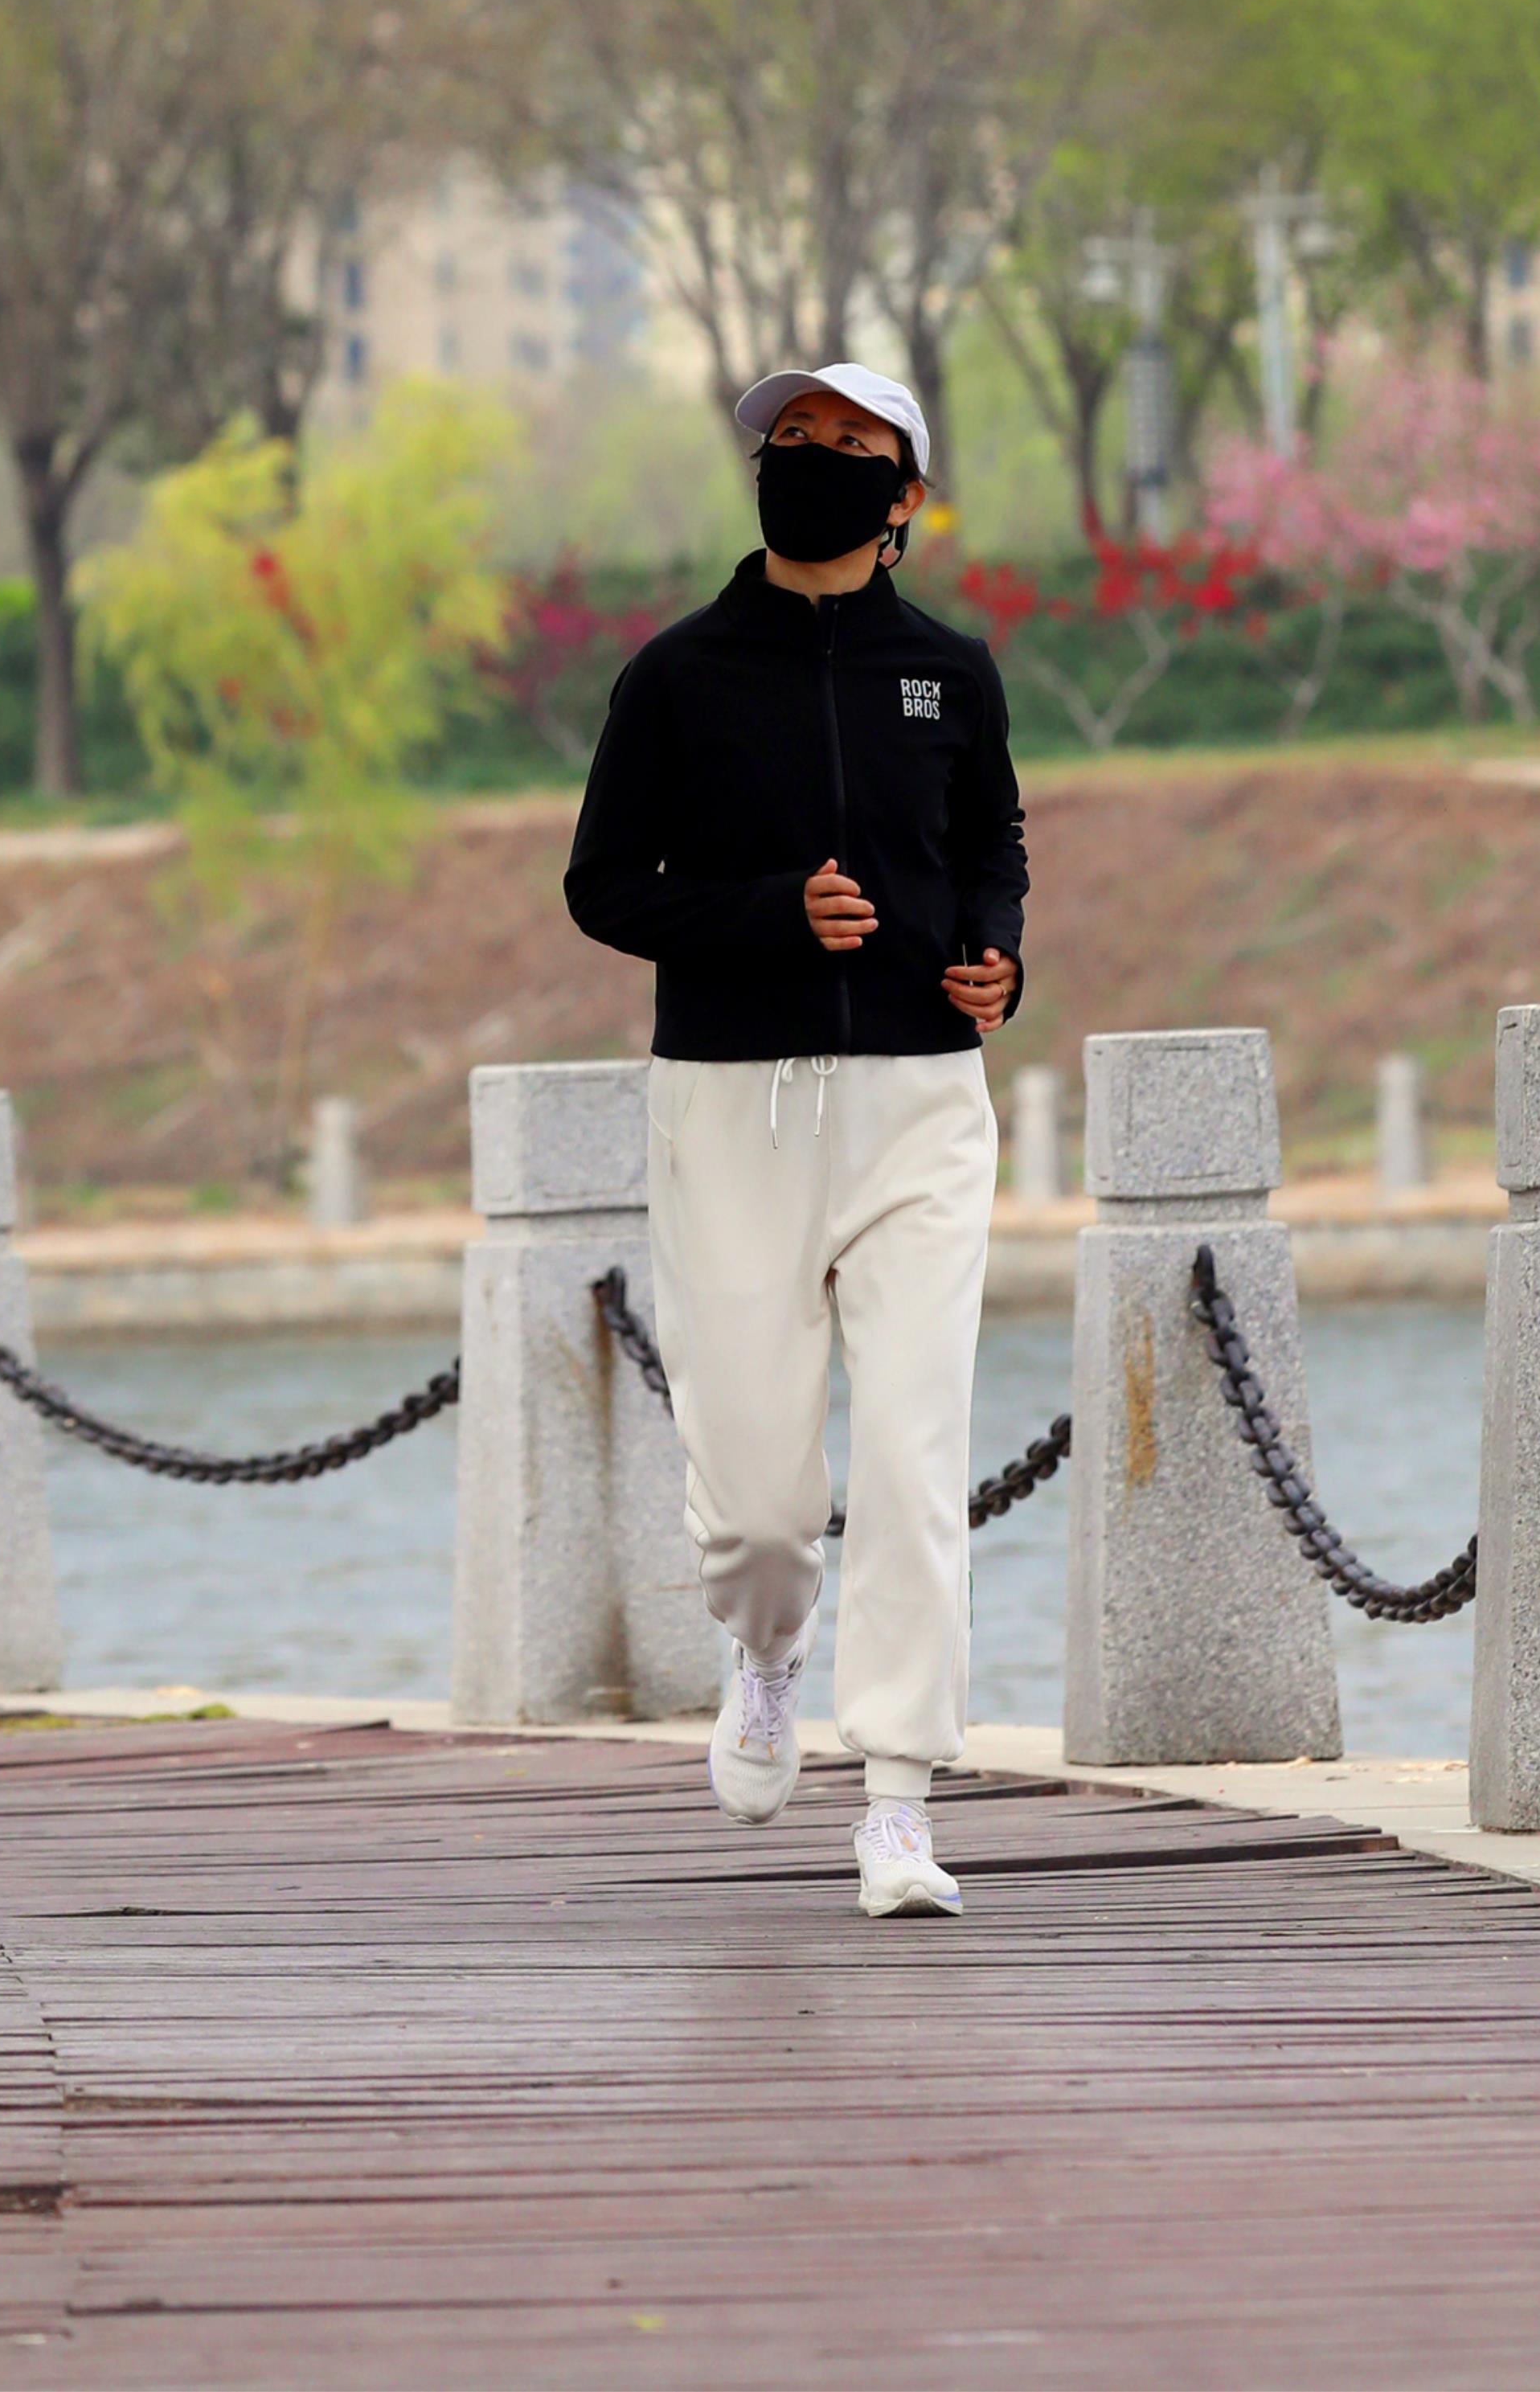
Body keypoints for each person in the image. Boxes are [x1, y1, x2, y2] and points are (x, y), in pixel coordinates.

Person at [563, 358, 1026, 1919]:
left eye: (848, 442)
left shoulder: (950, 673)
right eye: (792, 437)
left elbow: (990, 844)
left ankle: (898, 1798)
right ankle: (765, 1650)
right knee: (761, 1501)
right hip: (733, 1104)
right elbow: (603, 887)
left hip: (919, 1103)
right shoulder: (676, 676)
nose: (810, 456)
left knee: (912, 1453)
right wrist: (771, 913)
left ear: (905, 496)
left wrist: (997, 955)